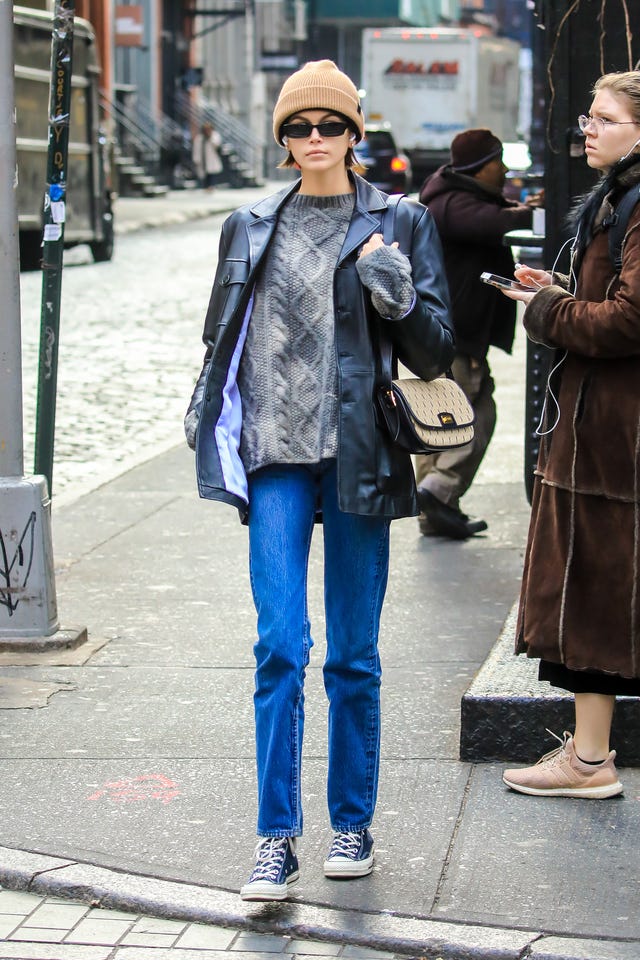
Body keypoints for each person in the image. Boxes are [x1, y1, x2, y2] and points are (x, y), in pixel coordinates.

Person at [184, 60, 453, 899]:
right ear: (282, 137)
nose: (314, 139)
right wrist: (204, 410)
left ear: (353, 133)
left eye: (330, 125)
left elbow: (436, 352)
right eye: (298, 127)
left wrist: (390, 287)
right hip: (275, 454)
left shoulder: (399, 220)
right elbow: (220, 335)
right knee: (278, 646)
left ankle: (351, 823)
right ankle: (276, 838)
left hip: (358, 453)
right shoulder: (249, 224)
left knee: (353, 654)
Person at [498, 70, 640, 798]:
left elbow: (629, 320)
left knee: (600, 588)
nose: (587, 128)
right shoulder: (620, 198)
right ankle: (588, 757)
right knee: (598, 590)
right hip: (603, 433)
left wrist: (548, 311)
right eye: (588, 116)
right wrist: (555, 293)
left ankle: (589, 762)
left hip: (617, 440)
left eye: (604, 118)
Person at [415, 129, 538, 539]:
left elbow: (494, 211)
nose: (503, 169)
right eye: (497, 161)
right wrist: (532, 213)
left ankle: (436, 507)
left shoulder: (454, 194)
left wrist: (524, 207)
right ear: (479, 167)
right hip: (456, 334)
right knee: (472, 417)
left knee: (441, 422)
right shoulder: (452, 203)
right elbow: (491, 222)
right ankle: (437, 491)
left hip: (445, 332)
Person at [192, 121, 223, 190]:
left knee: (212, 173)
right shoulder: (199, 138)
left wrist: (210, 136)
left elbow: (217, 145)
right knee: (203, 174)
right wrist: (196, 158)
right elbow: (196, 149)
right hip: (202, 159)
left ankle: (211, 186)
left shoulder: (215, 135)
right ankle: (205, 187)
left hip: (212, 159)